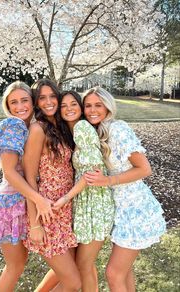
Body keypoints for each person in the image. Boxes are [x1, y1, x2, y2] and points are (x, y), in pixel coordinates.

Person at [82, 87, 166, 292]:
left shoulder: (117, 129)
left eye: (98, 105)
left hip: (135, 207)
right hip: (119, 209)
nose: (92, 110)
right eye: (88, 105)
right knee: (124, 271)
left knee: (113, 273)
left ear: (108, 107)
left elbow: (144, 168)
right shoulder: (96, 131)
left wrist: (107, 181)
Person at [36, 90, 114, 292]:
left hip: (94, 203)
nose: (69, 109)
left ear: (80, 108)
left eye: (74, 104)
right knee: (82, 265)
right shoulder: (68, 132)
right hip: (83, 202)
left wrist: (66, 197)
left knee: (83, 265)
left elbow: (93, 171)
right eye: (64, 105)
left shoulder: (81, 127)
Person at [0, 81, 53, 292]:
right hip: (10, 206)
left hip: (25, 201)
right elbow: (9, 172)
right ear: (7, 105)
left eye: (24, 100)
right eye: (14, 102)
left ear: (33, 102)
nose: (20, 106)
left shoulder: (32, 126)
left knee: (20, 264)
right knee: (15, 266)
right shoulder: (14, 125)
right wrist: (38, 199)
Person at [23, 79, 81, 291]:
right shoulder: (38, 129)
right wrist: (34, 224)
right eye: (42, 98)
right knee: (73, 282)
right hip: (46, 212)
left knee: (64, 274)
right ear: (37, 103)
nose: (48, 102)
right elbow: (29, 178)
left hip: (65, 209)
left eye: (52, 96)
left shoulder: (62, 126)